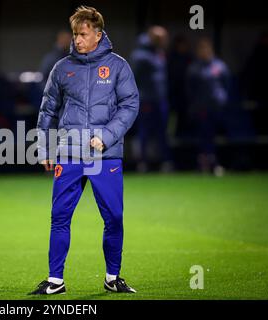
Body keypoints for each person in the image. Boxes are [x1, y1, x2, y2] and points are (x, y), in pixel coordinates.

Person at [30, 6, 139, 295]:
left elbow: (130, 106)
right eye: (75, 34)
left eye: (83, 34)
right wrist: (45, 148)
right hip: (69, 154)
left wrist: (106, 135)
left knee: (114, 217)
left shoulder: (118, 66)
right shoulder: (62, 68)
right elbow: (48, 111)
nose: (77, 40)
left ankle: (112, 277)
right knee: (60, 216)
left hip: (106, 155)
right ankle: (55, 281)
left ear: (98, 34)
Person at [131, 26, 172, 172]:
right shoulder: (140, 55)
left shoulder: (159, 53)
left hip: (160, 99)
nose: (165, 41)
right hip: (146, 99)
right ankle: (142, 162)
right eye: (161, 38)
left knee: (163, 131)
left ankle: (165, 161)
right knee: (144, 132)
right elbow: (133, 78)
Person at [186, 37, 230, 174]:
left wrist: (222, 98)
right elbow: (189, 89)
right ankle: (207, 164)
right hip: (201, 109)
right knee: (204, 136)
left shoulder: (219, 66)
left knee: (215, 136)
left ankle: (213, 161)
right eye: (202, 49)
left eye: (206, 48)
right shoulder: (194, 68)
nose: (204, 51)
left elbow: (226, 84)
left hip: (217, 108)